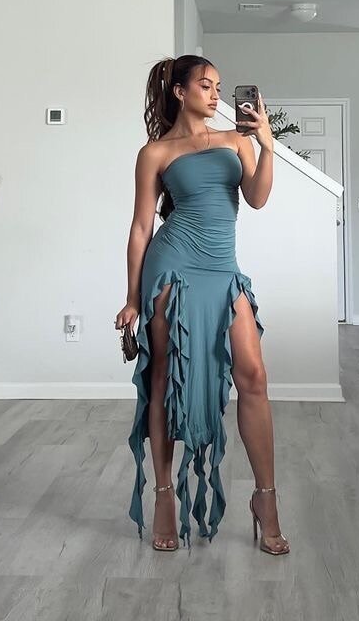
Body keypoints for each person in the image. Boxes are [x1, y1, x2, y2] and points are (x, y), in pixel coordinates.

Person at [114, 55, 290, 555]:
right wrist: (132, 298)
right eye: (206, 86)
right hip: (173, 266)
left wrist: (266, 144)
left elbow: (257, 198)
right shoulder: (155, 152)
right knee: (163, 380)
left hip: (222, 271)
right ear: (179, 92)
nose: (216, 95)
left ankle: (265, 498)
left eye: (218, 87)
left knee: (253, 377)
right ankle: (164, 495)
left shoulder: (236, 141)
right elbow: (141, 228)